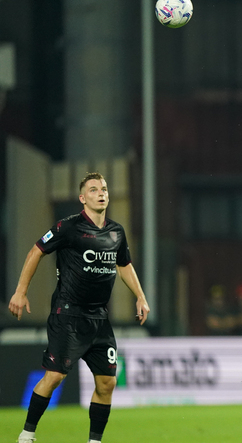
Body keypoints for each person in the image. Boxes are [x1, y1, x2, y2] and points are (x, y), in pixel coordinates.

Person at [8, 172, 150, 443]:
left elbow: (124, 265)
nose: (101, 193)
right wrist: (20, 291)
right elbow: (36, 251)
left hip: (99, 318)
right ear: (83, 198)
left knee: (107, 383)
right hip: (68, 315)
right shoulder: (68, 227)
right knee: (55, 377)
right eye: (94, 189)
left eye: (105, 189)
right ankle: (27, 434)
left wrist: (140, 296)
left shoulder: (116, 232)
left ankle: (94, 441)